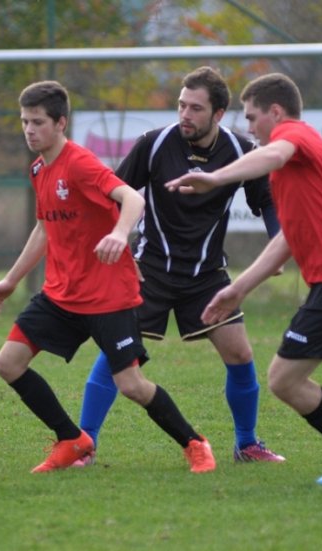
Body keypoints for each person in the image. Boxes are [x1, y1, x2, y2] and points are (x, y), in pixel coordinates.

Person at [0, 80, 215, 474]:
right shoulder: (39, 168)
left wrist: (119, 233)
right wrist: (10, 280)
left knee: (132, 386)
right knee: (8, 363)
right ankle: (72, 440)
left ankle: (194, 443)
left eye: (37, 122)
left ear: (61, 123)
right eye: (24, 122)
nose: (29, 130)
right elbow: (44, 228)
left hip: (109, 296)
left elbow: (134, 198)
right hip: (61, 294)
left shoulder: (80, 164)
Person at [74, 66, 285, 466]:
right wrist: (114, 246)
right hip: (148, 271)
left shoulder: (241, 152)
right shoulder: (153, 145)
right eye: (181, 105)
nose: (185, 114)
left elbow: (269, 201)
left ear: (218, 114)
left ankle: (246, 444)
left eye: (196, 108)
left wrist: (278, 241)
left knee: (240, 354)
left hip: (206, 277)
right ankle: (85, 444)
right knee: (118, 356)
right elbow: (113, 196)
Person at [165, 72, 322, 484]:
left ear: (276, 112)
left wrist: (217, 176)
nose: (248, 126)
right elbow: (287, 240)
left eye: (253, 116)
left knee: (285, 378)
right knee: (286, 379)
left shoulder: (295, 137)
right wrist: (238, 288)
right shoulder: (289, 167)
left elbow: (273, 154)